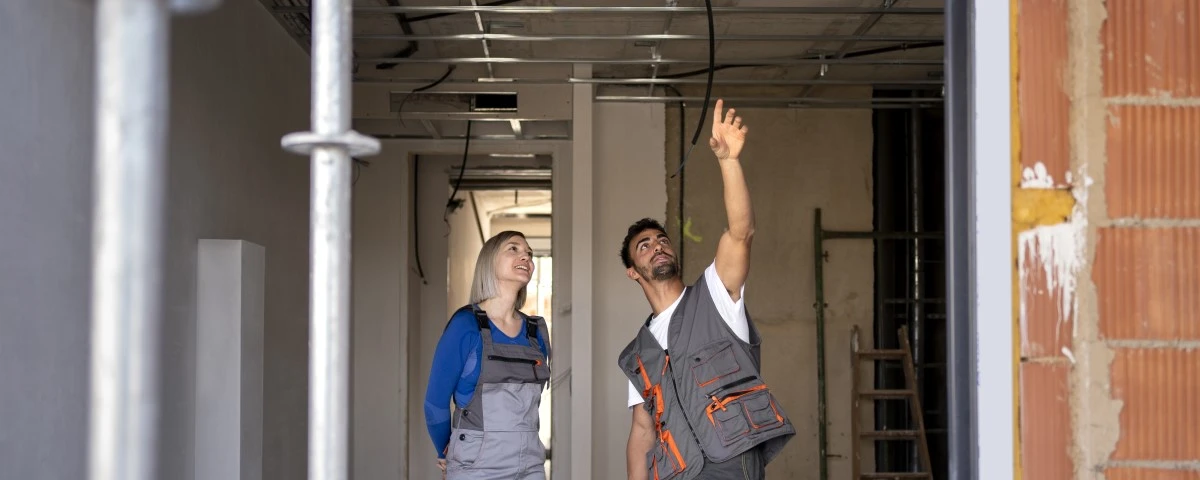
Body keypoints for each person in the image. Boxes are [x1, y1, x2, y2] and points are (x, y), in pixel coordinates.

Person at [617, 99, 795, 480]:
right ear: (634, 273)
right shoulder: (640, 352)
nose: (657, 246)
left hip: (731, 464)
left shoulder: (713, 295)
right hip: (678, 472)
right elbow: (642, 434)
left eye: (662, 240)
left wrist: (728, 160)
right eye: (644, 246)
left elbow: (740, 232)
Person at [424, 231, 551, 479]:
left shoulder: (536, 334)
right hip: (475, 467)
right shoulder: (465, 325)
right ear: (489, 261)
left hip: (530, 466)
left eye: (529, 253)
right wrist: (445, 450)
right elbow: (434, 404)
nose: (525, 255)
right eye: (513, 249)